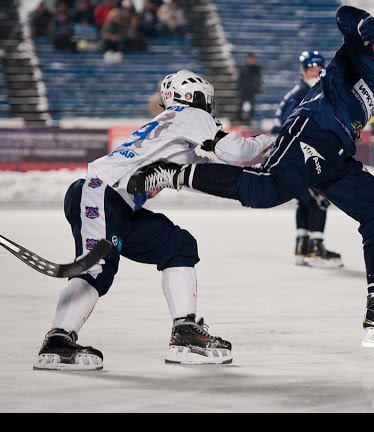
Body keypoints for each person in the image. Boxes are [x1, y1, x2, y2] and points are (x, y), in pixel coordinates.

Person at [127, 6, 374, 349]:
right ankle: (174, 174)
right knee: (265, 190)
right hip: (313, 131)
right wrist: (365, 25)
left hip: (338, 151)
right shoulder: (365, 48)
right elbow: (344, 15)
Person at [33, 70, 274, 370]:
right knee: (96, 268)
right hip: (101, 195)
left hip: (115, 203)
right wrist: (269, 141)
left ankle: (185, 332)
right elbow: (234, 150)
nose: (211, 105)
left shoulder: (173, 130)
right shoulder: (189, 114)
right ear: (192, 96)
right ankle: (58, 342)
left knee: (178, 246)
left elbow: (201, 171)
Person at [272, 51, 343, 268]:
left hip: (296, 159)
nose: (315, 72)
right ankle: (316, 249)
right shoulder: (301, 95)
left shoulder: (308, 92)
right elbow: (285, 131)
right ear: (303, 71)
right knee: (319, 199)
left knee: (305, 201)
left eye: (318, 68)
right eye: (311, 69)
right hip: (299, 158)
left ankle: (302, 247)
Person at [235, 53, 262, 124]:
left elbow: (258, 80)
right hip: (243, 90)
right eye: (249, 59)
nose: (250, 61)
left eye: (252, 59)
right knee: (240, 105)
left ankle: (249, 120)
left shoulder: (256, 69)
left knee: (251, 106)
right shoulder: (243, 68)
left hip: (252, 91)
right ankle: (238, 119)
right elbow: (240, 79)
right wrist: (239, 89)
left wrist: (257, 88)